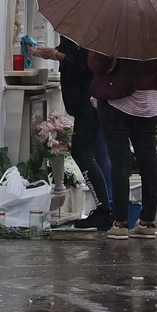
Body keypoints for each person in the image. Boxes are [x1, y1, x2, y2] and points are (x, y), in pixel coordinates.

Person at [86, 51, 157, 240]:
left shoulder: (114, 31)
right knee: (148, 162)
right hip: (148, 103)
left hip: (115, 101)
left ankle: (121, 222)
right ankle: (147, 222)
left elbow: (97, 64)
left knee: (120, 161)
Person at [31, 38, 113, 230]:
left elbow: (87, 65)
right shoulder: (74, 33)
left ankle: (104, 210)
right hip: (81, 104)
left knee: (83, 153)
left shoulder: (89, 34)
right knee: (83, 153)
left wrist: (56, 55)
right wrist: (53, 52)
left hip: (89, 103)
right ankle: (104, 208)